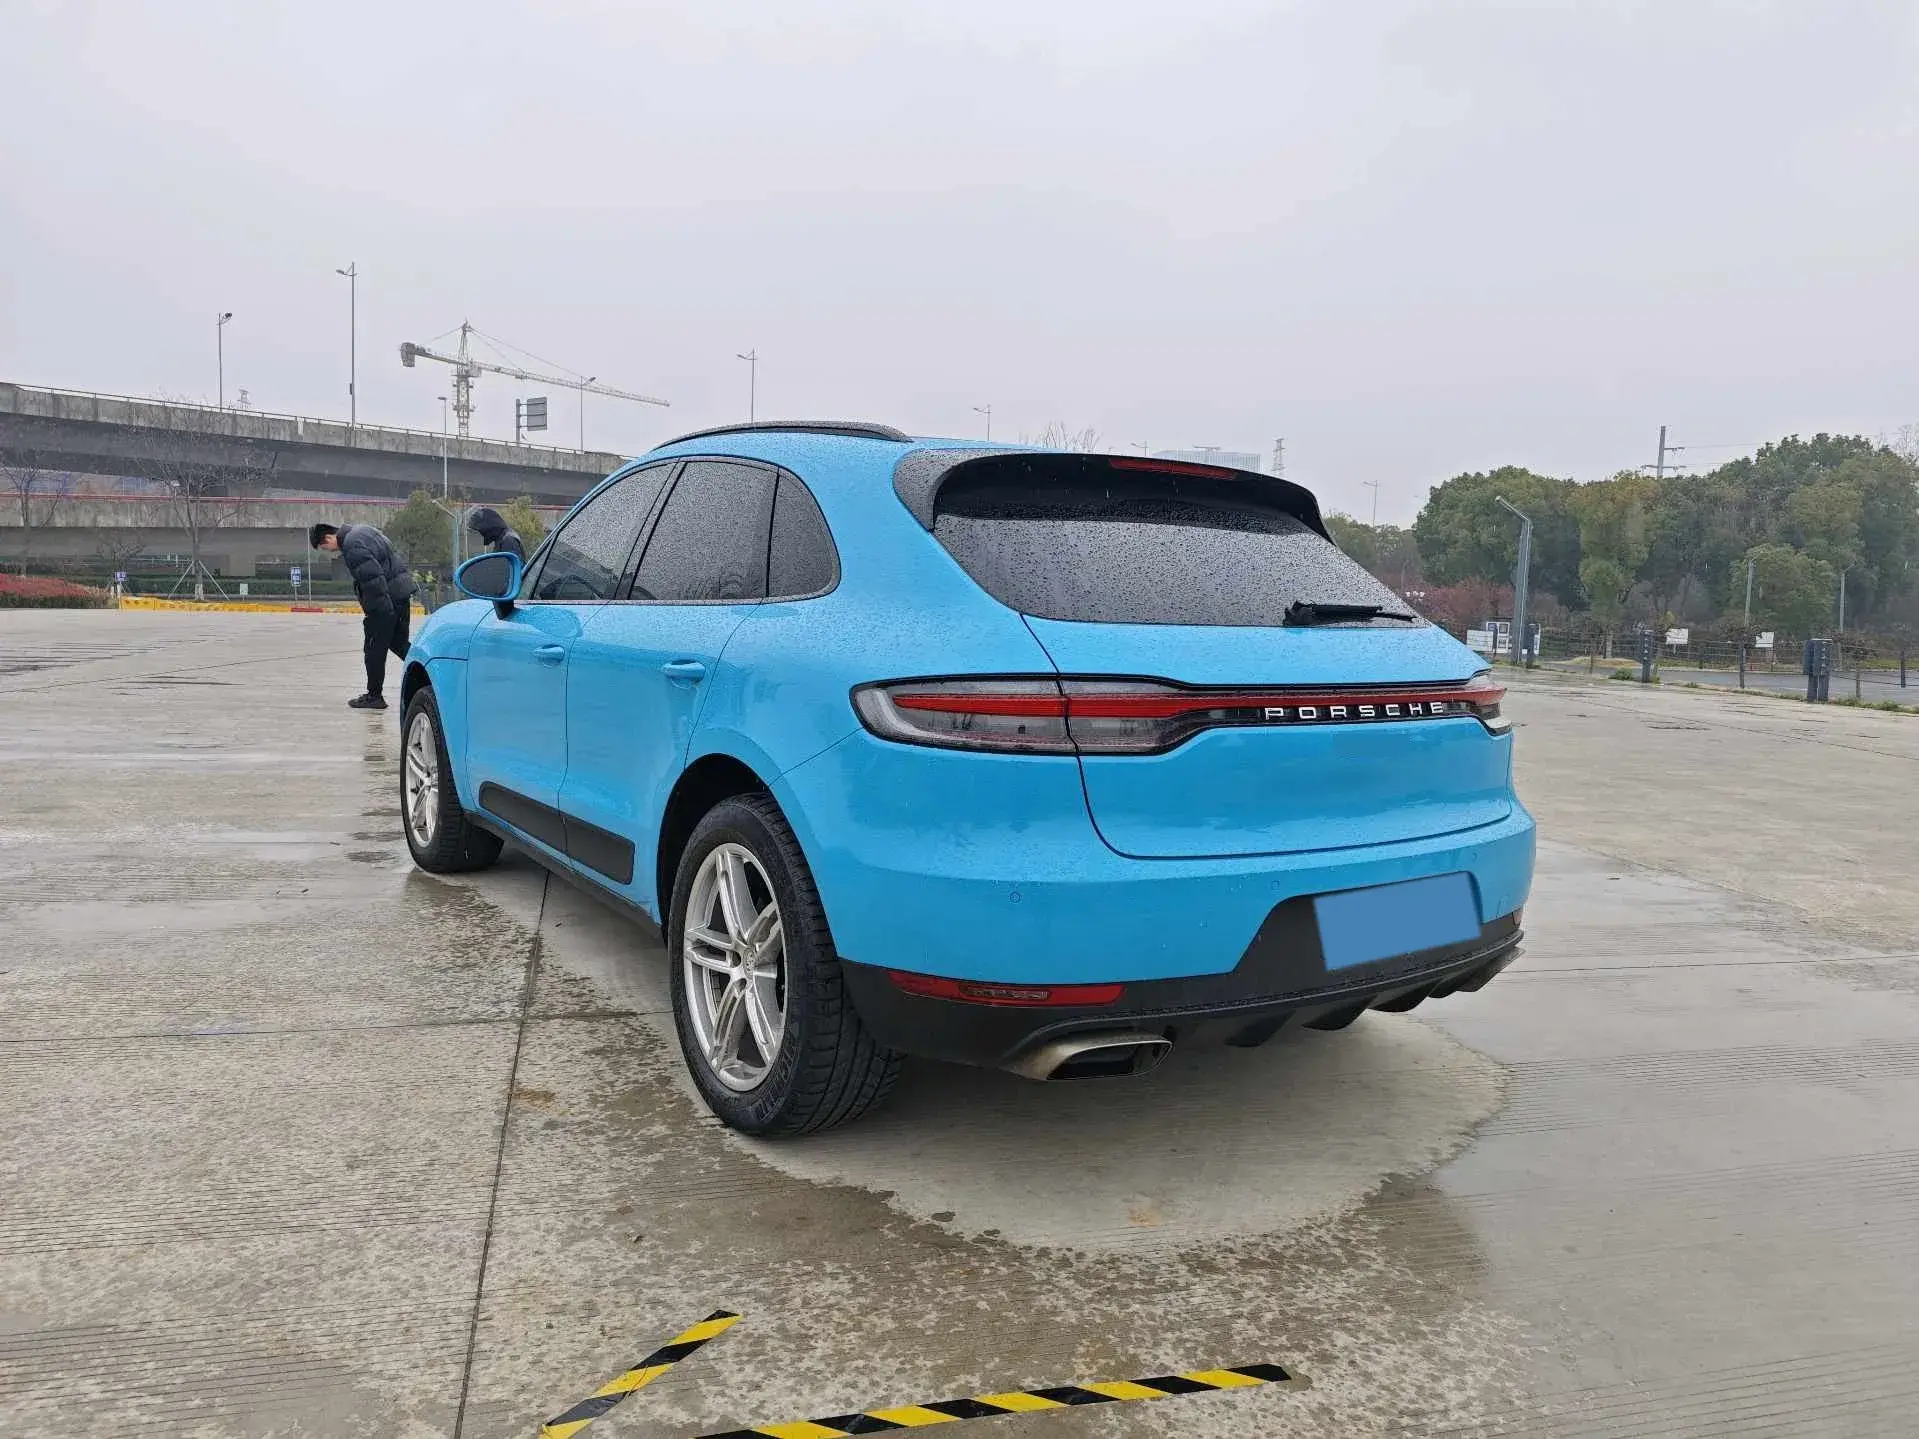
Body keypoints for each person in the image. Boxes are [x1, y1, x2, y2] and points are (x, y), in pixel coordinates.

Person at [310, 521, 416, 710]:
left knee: (374, 649)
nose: (331, 552)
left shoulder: (352, 545)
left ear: (328, 538)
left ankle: (374, 696)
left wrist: (380, 613)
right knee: (399, 644)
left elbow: (372, 579)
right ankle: (434, 674)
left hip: (385, 601)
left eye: (325, 548)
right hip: (400, 593)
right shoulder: (364, 531)